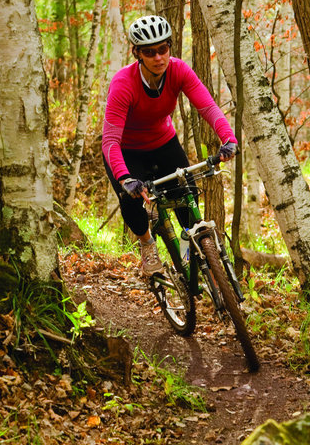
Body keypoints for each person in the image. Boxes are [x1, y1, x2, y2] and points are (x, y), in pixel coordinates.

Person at [102, 15, 238, 276]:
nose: (158, 57)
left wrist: (228, 138)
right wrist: (125, 177)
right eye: (149, 52)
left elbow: (208, 107)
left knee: (187, 203)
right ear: (137, 54)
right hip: (127, 151)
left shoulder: (178, 70)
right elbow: (110, 140)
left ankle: (192, 262)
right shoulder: (123, 84)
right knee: (132, 203)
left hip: (164, 144)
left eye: (163, 49)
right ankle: (147, 245)